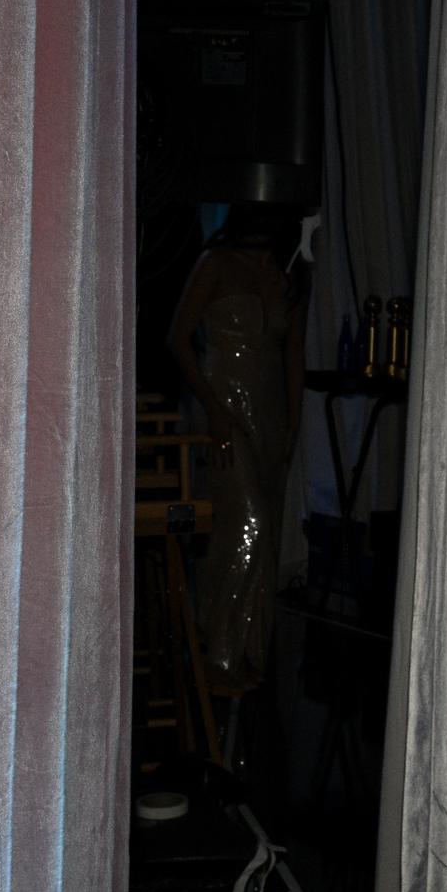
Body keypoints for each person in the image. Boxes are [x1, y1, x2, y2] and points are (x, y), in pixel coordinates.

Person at [168, 202, 309, 684]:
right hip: (224, 406)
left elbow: (293, 352)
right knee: (249, 520)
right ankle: (217, 648)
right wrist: (212, 408)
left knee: (265, 524)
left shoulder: (289, 275)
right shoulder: (217, 263)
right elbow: (178, 338)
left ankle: (251, 650)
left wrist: (295, 421)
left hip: (269, 411)